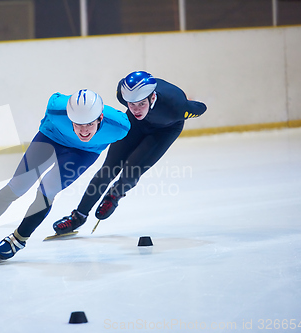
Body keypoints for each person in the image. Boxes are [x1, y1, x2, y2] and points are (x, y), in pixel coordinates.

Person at [0, 89, 130, 261]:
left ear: (101, 117)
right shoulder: (57, 110)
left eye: (89, 124)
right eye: (77, 124)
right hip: (51, 138)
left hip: (83, 153)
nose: (83, 131)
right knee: (17, 186)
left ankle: (19, 238)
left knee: (48, 189)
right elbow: (55, 97)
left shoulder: (119, 126)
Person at [53, 71, 207, 234]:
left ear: (152, 97)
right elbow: (133, 106)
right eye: (132, 104)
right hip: (136, 125)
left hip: (165, 131)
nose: (136, 109)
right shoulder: (123, 93)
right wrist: (135, 107)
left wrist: (188, 102)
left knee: (132, 170)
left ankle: (116, 194)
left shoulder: (177, 106)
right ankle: (78, 216)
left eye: (141, 103)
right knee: (108, 169)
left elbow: (201, 108)